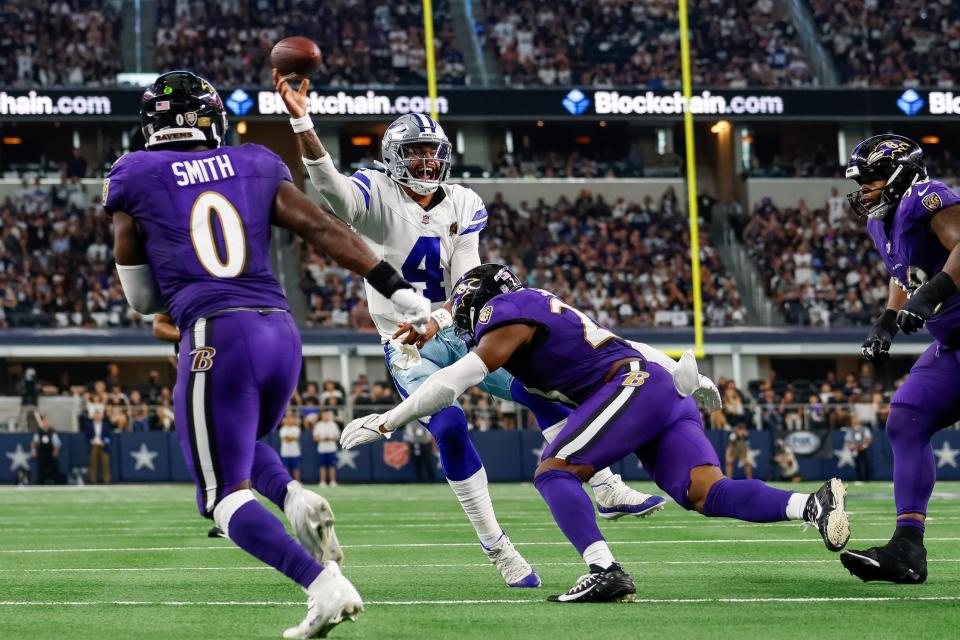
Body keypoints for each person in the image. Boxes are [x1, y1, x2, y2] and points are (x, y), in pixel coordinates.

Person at [274, 70, 662, 589]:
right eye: (414, 152)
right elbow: (330, 188)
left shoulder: (463, 202)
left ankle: (607, 484)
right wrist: (302, 120)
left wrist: (439, 317)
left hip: (458, 328)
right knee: (451, 428)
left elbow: (468, 283)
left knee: (542, 389)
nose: (427, 162)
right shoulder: (375, 193)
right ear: (392, 156)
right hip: (406, 345)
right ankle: (497, 546)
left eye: (432, 152)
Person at [104, 71, 431, 638]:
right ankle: (294, 498)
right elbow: (323, 229)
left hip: (215, 333)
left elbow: (140, 298)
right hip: (280, 332)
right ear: (212, 119)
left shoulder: (133, 173)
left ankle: (322, 584)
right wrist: (401, 292)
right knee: (244, 442)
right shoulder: (254, 161)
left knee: (221, 497)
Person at [340, 264, 848, 602]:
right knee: (704, 492)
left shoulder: (507, 312)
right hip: (660, 388)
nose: (467, 326)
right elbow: (627, 343)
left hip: (632, 386)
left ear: (483, 306)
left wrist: (389, 420)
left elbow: (452, 381)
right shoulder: (543, 310)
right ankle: (811, 505)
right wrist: (698, 379)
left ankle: (604, 569)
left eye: (468, 315)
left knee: (554, 471)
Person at [843, 134, 960, 584]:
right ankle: (907, 547)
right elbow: (904, 273)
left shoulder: (927, 198)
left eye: (872, 177)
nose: (865, 187)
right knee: (906, 417)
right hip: (953, 345)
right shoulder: (883, 221)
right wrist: (886, 322)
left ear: (900, 172)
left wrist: (932, 295)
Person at [31, 413, 61, 484]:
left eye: (47, 422)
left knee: (54, 470)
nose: (46, 423)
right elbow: (33, 443)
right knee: (41, 470)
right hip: (42, 453)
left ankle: (57, 483)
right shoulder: (39, 432)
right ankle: (40, 483)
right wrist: (33, 450)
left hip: (50, 453)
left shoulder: (52, 432)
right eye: (44, 422)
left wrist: (56, 451)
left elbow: (57, 443)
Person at [312, 410, 340, 487]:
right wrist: (323, 439)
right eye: (324, 415)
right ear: (322, 416)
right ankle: (322, 481)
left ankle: (333, 481)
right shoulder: (318, 425)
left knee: (332, 466)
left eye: (327, 415)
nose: (325, 416)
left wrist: (330, 438)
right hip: (322, 449)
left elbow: (337, 437)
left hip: (331, 448)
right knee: (322, 466)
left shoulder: (333, 425)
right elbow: (315, 438)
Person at [84, 408, 112, 484]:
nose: (97, 417)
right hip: (93, 446)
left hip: (103, 446)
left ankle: (107, 480)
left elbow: (109, 437)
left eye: (98, 415)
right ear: (93, 416)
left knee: (105, 463)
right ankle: (93, 480)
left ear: (101, 416)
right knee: (93, 463)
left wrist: (104, 442)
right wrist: (91, 441)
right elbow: (87, 437)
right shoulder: (89, 425)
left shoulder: (106, 425)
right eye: (96, 415)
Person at [845, 415, 873, 483]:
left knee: (866, 463)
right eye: (853, 419)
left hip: (863, 449)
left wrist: (864, 446)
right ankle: (859, 479)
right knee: (857, 464)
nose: (855, 421)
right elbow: (848, 441)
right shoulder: (850, 430)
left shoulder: (864, 428)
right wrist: (854, 448)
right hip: (855, 450)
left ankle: (867, 479)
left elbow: (869, 438)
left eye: (856, 419)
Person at [279, 409, 303, 482]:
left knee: (296, 468)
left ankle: (298, 482)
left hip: (295, 453)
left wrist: (289, 438)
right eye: (287, 418)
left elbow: (295, 438)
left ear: (293, 420)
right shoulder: (282, 429)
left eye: (291, 418)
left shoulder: (296, 429)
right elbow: (285, 438)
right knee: (285, 469)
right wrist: (291, 438)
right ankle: (287, 482)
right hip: (285, 453)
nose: (289, 420)